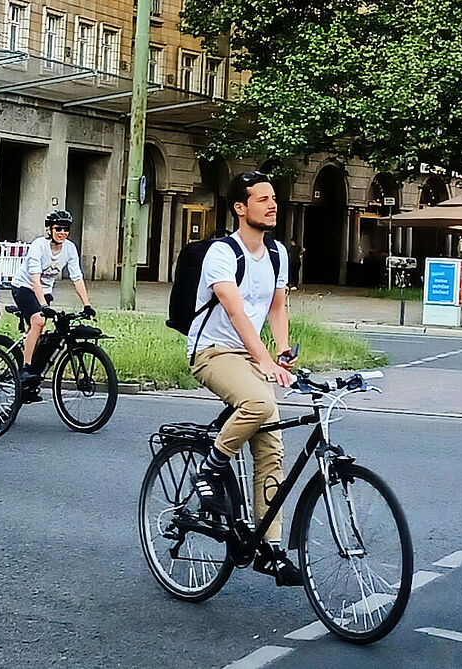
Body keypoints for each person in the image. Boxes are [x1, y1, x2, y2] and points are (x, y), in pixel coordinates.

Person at [187, 171, 300, 586]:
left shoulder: (277, 254)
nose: (273, 205)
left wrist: (282, 351)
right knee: (259, 403)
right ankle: (210, 469)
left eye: (274, 198)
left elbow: (277, 307)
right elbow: (235, 312)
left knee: (271, 445)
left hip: (251, 355)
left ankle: (271, 547)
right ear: (240, 207)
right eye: (262, 199)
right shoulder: (222, 253)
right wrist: (265, 361)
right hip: (212, 351)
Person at [9, 209, 95, 400]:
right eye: (59, 228)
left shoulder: (69, 248)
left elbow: (77, 277)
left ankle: (30, 381)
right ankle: (25, 368)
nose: (63, 232)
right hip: (24, 288)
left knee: (50, 329)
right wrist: (42, 306)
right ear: (50, 229)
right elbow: (35, 279)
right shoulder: (39, 246)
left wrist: (87, 304)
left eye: (66, 229)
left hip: (45, 291)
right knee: (38, 321)